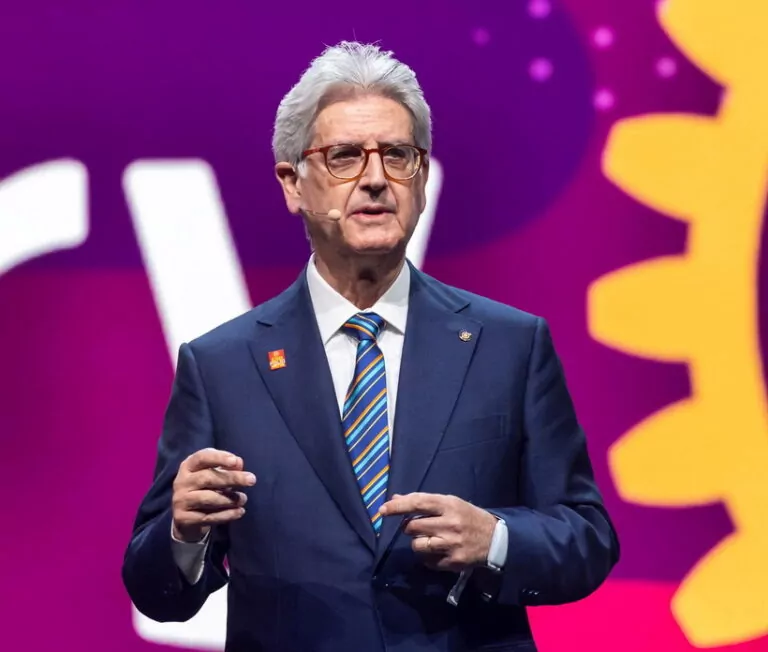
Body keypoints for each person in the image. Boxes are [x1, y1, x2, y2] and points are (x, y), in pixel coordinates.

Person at [122, 41, 619, 652]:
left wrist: (495, 539)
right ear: (292, 183)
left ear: (423, 177)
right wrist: (183, 533)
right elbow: (154, 591)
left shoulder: (510, 345)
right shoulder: (222, 366)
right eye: (345, 157)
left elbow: (587, 537)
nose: (377, 179)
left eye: (399, 156)